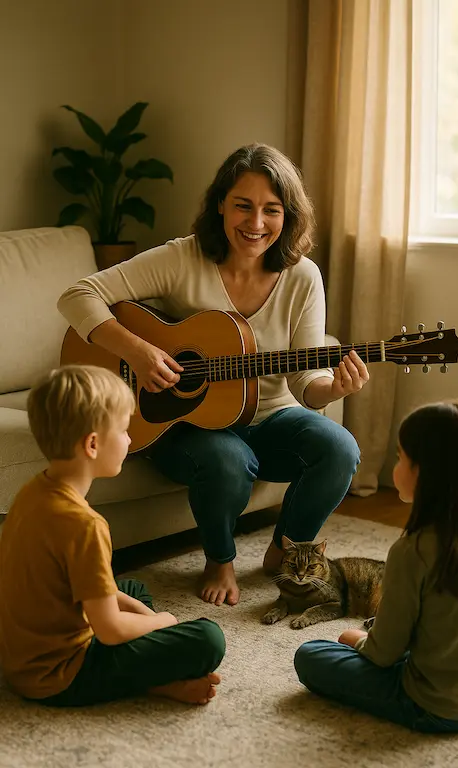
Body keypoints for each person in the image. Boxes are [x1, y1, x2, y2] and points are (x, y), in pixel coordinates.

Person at [58, 143, 369, 608]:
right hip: (179, 422)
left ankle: (286, 549)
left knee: (340, 447)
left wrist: (332, 387)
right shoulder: (182, 258)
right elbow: (78, 294)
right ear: (220, 203)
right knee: (228, 457)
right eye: (243, 205)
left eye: (272, 210)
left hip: (269, 419)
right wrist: (140, 353)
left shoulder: (303, 276)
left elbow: (307, 382)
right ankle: (219, 559)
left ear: (289, 216)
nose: (256, 223)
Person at [0, 365, 225, 707]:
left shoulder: (32, 493)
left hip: (18, 658)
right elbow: (110, 631)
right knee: (209, 639)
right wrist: (164, 621)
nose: (130, 439)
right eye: (123, 430)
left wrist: (144, 618)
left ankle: (154, 673)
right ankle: (156, 681)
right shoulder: (85, 525)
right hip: (60, 675)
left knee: (132, 590)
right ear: (92, 444)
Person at [294, 400, 458, 733]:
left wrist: (358, 641)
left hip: (434, 705)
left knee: (311, 655)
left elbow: (383, 655)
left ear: (423, 471)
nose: (396, 466)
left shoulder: (412, 550)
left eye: (400, 457)